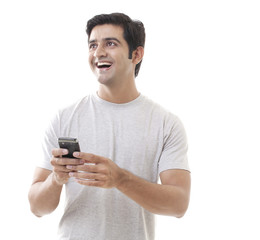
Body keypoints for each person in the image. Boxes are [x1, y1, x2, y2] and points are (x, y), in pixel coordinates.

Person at [28, 12, 191, 240]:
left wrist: (121, 179)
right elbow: (37, 208)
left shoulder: (166, 124)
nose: (99, 52)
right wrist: (56, 179)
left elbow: (178, 204)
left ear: (136, 54)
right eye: (93, 45)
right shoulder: (64, 118)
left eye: (110, 43)